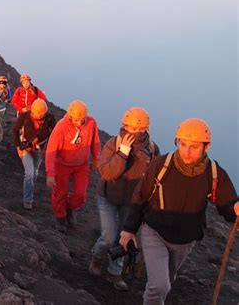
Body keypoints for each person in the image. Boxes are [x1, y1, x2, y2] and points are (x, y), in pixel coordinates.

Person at [119, 118, 239, 304]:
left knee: (166, 281)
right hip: (155, 231)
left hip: (185, 240)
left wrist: (235, 209)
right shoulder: (161, 165)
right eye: (182, 144)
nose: (187, 151)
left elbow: (228, 205)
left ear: (206, 147)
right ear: (176, 142)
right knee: (160, 285)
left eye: (194, 146)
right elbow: (140, 195)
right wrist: (129, 230)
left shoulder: (213, 173)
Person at [90, 107, 160, 291]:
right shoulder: (113, 144)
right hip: (108, 198)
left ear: (147, 128)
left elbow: (154, 178)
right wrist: (123, 152)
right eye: (132, 128)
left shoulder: (152, 149)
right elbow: (108, 172)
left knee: (124, 238)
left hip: (131, 202)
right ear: (124, 126)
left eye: (140, 129)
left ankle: (114, 273)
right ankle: (97, 257)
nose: (136, 132)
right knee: (108, 235)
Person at [45, 100, 101, 233]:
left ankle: (70, 208)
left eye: (81, 119)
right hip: (62, 165)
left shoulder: (91, 123)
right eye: (76, 120)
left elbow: (96, 142)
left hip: (82, 165)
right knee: (60, 193)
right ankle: (61, 217)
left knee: (80, 195)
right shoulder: (61, 127)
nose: (79, 122)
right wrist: (50, 174)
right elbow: (51, 151)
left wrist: (96, 159)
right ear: (70, 116)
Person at [13, 99, 56, 210]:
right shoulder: (25, 117)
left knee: (35, 172)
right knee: (29, 174)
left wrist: (48, 148)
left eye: (39, 113)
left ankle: (30, 191)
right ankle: (28, 200)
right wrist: (18, 147)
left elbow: (55, 133)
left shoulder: (50, 119)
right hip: (26, 148)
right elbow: (15, 130)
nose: (37, 115)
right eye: (35, 113)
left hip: (40, 149)